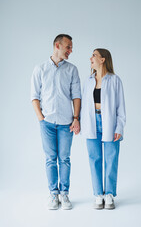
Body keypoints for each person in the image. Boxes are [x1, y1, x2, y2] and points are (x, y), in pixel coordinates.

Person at [31, 34, 81, 210]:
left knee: (65, 159)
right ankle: (54, 194)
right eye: (68, 47)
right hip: (47, 123)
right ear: (57, 45)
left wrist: (76, 118)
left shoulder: (72, 70)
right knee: (51, 159)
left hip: (66, 123)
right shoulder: (40, 68)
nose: (70, 51)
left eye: (71, 48)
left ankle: (65, 194)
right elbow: (34, 96)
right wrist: (41, 118)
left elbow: (76, 96)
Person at [81, 48, 126, 210]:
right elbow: (84, 107)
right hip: (91, 122)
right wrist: (79, 122)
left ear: (103, 59)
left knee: (111, 159)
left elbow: (120, 107)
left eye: (94, 55)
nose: (90, 58)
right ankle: (98, 194)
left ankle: (109, 194)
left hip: (109, 123)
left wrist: (119, 127)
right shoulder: (88, 81)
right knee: (94, 159)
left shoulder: (114, 80)